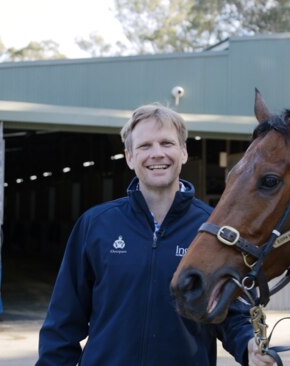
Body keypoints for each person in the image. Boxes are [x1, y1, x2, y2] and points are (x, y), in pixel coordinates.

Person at [37, 104, 274, 365]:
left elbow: (230, 312)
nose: (157, 154)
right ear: (129, 157)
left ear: (183, 152)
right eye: (145, 146)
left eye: (167, 143)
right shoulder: (95, 225)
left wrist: (248, 345)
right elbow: (63, 322)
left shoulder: (213, 227)